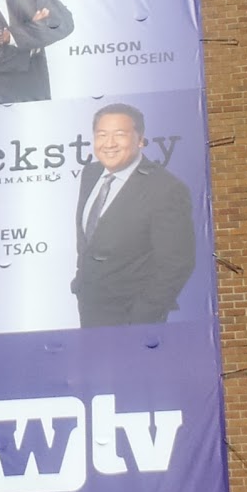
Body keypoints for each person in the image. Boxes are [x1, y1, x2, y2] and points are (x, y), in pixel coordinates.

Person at [71, 103, 195, 326]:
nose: (109, 143)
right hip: (89, 309)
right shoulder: (91, 173)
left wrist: (142, 317)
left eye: (120, 134)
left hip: (133, 318)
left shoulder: (166, 189)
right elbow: (89, 238)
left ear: (140, 140)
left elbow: (176, 264)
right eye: (102, 135)